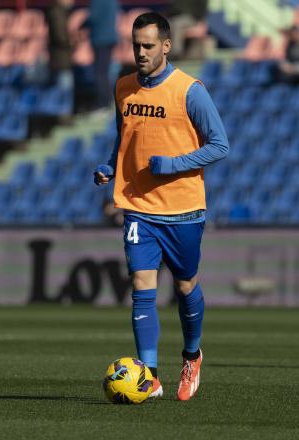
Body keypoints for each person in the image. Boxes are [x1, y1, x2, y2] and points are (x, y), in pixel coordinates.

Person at [93, 12, 229, 400]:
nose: (141, 52)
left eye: (148, 46)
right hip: (138, 207)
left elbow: (220, 145)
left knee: (186, 285)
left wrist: (173, 165)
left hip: (183, 208)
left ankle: (191, 356)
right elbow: (124, 139)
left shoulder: (190, 90)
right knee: (141, 287)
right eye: (136, 45)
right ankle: (149, 377)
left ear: (166, 46)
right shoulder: (123, 88)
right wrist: (109, 165)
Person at [83, 0, 119, 113]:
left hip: (101, 38)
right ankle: (108, 102)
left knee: (100, 73)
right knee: (106, 72)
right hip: (110, 37)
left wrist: (82, 26)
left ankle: (104, 103)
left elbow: (94, 17)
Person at [44, 0, 75, 91]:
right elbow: (59, 36)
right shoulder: (57, 13)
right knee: (64, 89)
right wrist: (72, 43)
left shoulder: (60, 12)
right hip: (61, 57)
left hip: (61, 56)